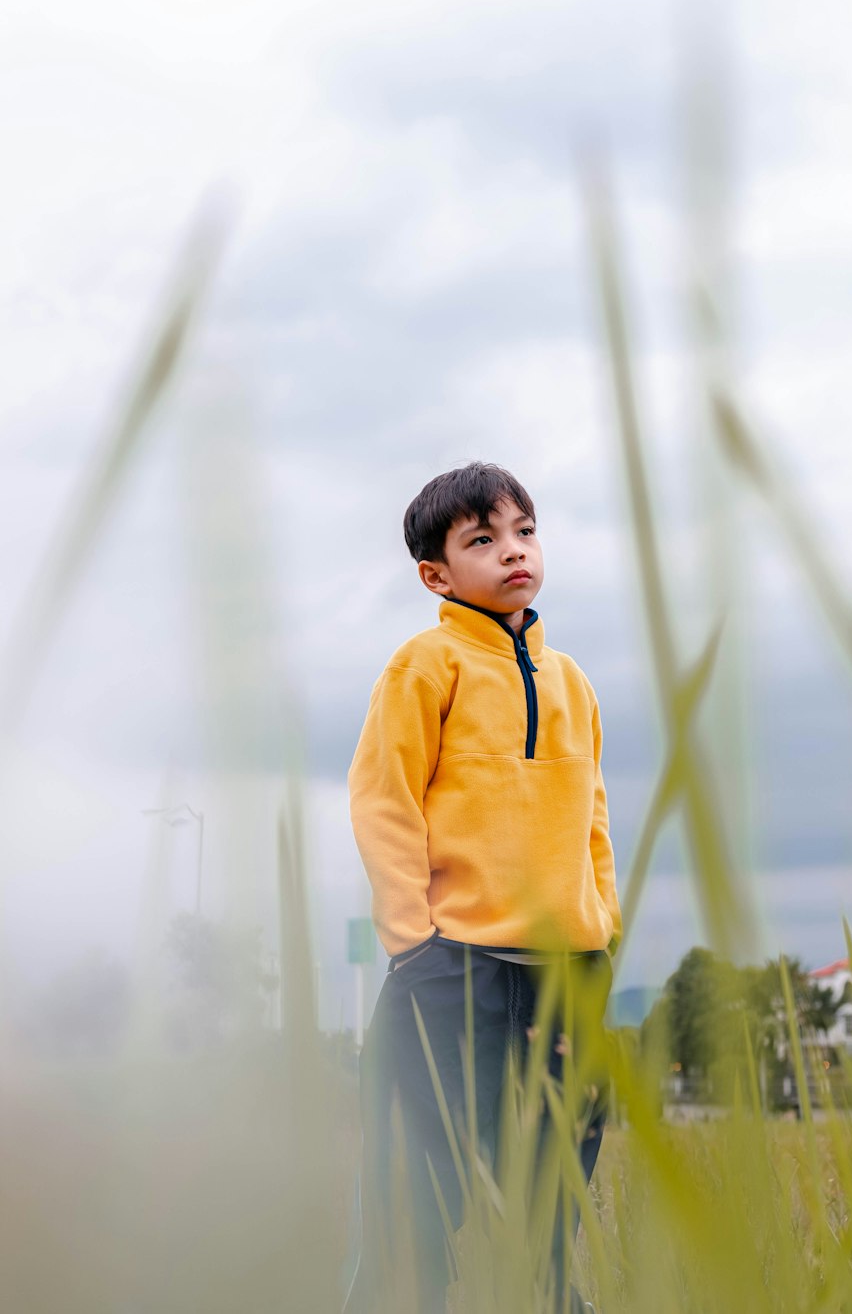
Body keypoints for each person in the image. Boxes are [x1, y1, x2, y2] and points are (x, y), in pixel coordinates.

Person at [343, 462, 621, 1314]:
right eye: (483, 540)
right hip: (452, 966)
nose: (514, 553)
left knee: (551, 1191)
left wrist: (601, 929)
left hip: (564, 971)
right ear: (436, 573)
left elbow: (594, 820)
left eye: (525, 532)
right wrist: (412, 939)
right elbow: (382, 798)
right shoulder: (425, 665)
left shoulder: (571, 680)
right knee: (417, 1193)